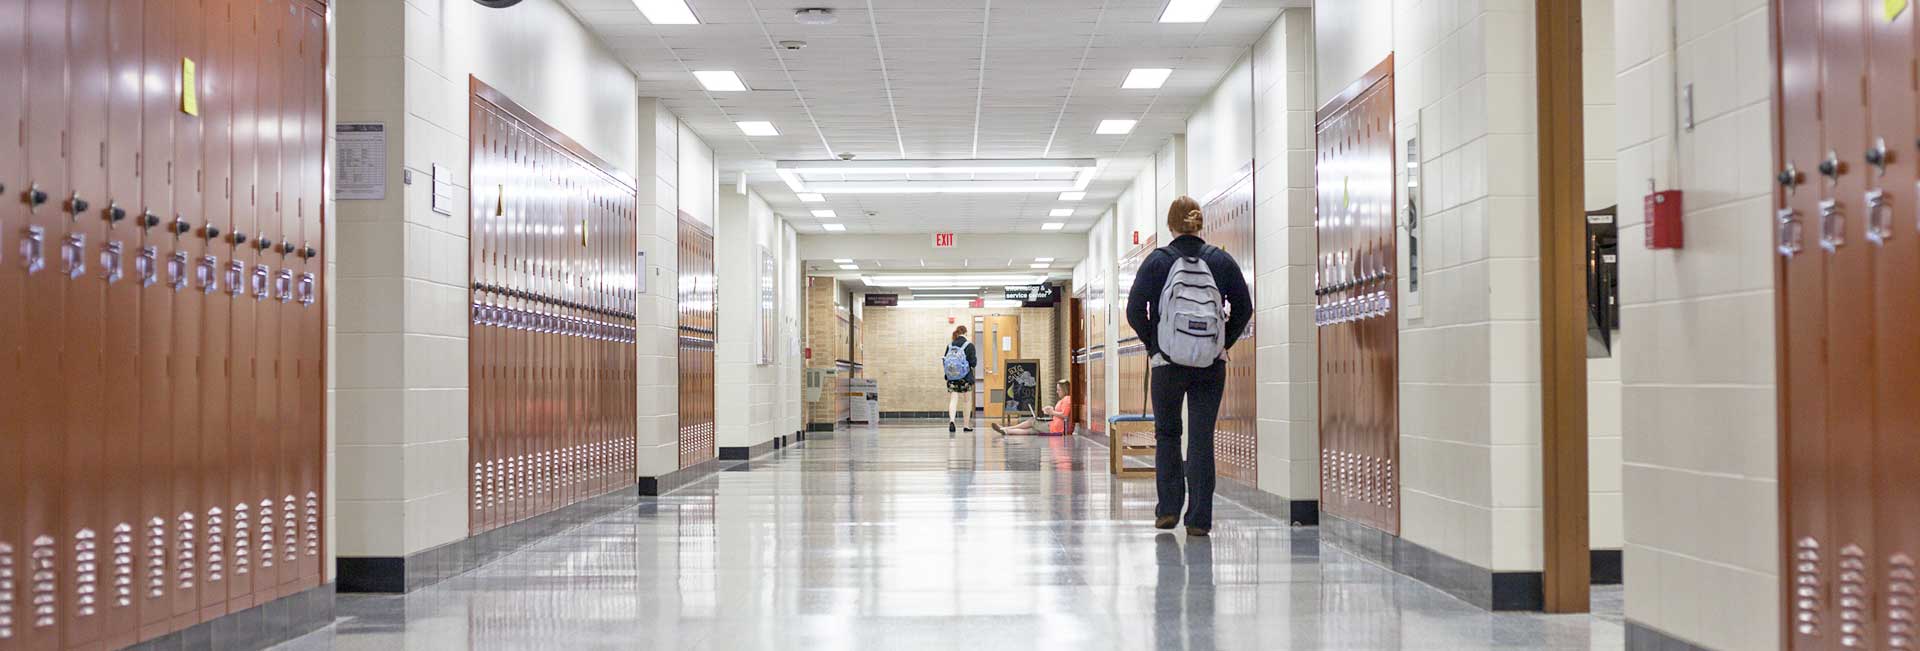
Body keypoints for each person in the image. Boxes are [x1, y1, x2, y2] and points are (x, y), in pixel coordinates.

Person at [1124, 196, 1252, 537]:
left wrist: (1155, 345)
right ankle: (1198, 518)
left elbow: (1134, 310)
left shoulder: (1157, 261)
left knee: (1167, 434)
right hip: (1210, 366)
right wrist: (1222, 344)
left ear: (1170, 225)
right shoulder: (1220, 260)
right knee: (1201, 438)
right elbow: (1244, 308)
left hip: (1167, 365)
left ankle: (1168, 509)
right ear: (1199, 224)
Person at [992, 380, 1073, 436]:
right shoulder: (1063, 399)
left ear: (1065, 390)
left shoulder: (1067, 399)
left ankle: (1006, 428)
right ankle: (1006, 431)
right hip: (1055, 426)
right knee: (1031, 431)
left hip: (1056, 428)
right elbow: (1060, 414)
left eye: (1059, 390)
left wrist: (1052, 412)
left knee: (1032, 421)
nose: (1057, 392)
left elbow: (1065, 415)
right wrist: (1050, 411)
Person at [943, 326, 978, 433]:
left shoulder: (950, 346)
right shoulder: (969, 345)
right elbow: (973, 363)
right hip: (965, 377)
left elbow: (945, 361)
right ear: (966, 333)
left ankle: (952, 421)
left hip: (952, 377)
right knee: (967, 401)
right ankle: (966, 425)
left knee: (953, 399)